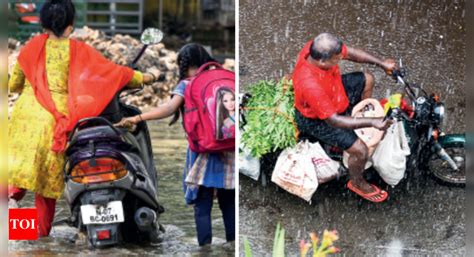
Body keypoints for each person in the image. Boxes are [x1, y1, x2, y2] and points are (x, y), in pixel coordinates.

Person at [7, 0, 159, 237]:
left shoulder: (30, 49)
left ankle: (15, 236)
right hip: (55, 123)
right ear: (70, 25)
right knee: (44, 190)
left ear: (42, 23)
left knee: (17, 181)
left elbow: (15, 84)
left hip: (24, 120)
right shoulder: (77, 50)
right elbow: (113, 73)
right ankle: (37, 242)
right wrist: (148, 77)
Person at [116, 43, 235, 246]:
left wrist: (138, 118)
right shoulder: (224, 78)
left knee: (202, 206)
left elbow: (169, 108)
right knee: (229, 204)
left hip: (203, 154)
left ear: (185, 65)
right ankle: (233, 246)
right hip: (230, 150)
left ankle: (204, 249)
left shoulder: (188, 83)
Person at [292, 32, 397, 203]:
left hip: (335, 93)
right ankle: (357, 182)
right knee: (360, 150)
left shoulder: (317, 48)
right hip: (316, 119)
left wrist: (382, 63)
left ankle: (360, 119)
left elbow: (351, 53)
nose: (342, 58)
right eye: (337, 58)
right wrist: (372, 121)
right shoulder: (310, 84)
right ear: (322, 61)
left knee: (367, 79)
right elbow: (333, 120)